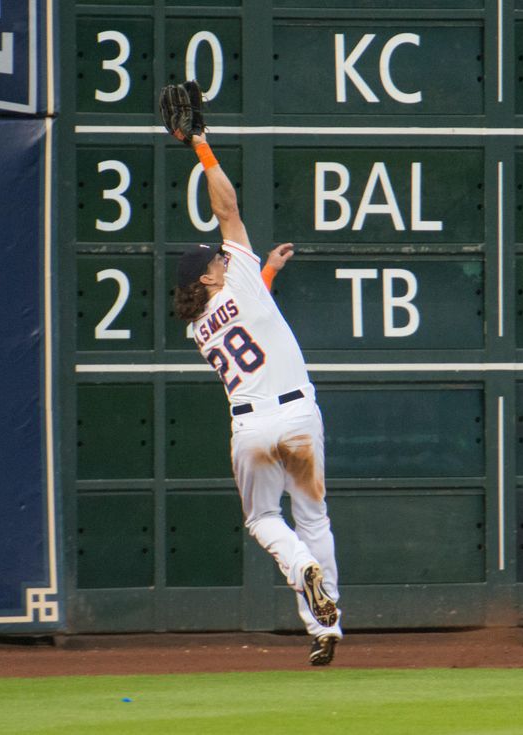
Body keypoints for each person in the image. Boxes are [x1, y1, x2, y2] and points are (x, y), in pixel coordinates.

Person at [171, 127, 343, 666]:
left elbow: (248, 312)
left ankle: (302, 576)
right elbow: (227, 205)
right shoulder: (239, 276)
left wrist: (265, 270)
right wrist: (199, 142)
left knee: (263, 518)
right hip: (297, 415)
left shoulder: (198, 326)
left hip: (249, 427)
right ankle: (326, 623)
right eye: (215, 258)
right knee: (313, 519)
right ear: (208, 273)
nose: (223, 256)